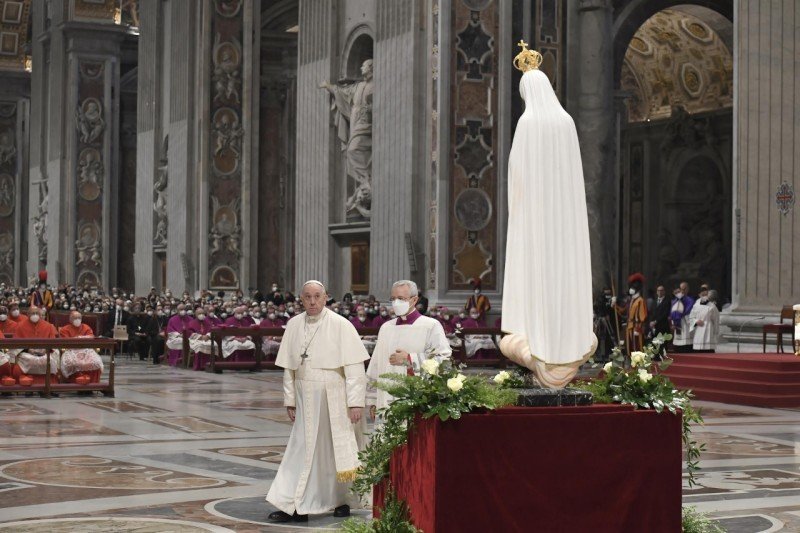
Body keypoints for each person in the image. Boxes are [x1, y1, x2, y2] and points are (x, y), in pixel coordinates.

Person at [266, 280, 369, 523]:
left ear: (326, 298)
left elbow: (355, 369)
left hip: (334, 395)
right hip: (304, 396)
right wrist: (289, 399)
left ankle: (343, 500)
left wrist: (355, 403)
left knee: (336, 451)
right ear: (300, 299)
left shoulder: (341, 325)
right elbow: (289, 369)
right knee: (301, 448)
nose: (312, 302)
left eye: (317, 297)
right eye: (307, 297)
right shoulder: (293, 325)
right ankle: (293, 503)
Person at [366, 280, 451, 418]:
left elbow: (444, 360)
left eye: (401, 299)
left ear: (414, 299)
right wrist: (373, 400)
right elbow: (376, 363)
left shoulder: (431, 325)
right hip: (385, 398)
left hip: (416, 399)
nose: (396, 303)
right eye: (393, 299)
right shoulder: (386, 328)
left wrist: (410, 359)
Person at [12, 306, 58, 385]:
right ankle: (26, 384)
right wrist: (28, 349)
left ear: (40, 315)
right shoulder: (20, 326)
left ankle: (50, 385)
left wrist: (46, 350)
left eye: (37, 313)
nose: (35, 315)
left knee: (50, 360)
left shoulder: (48, 326)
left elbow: (53, 342)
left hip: (44, 352)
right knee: (27, 359)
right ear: (28, 314)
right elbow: (16, 343)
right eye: (33, 313)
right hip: (27, 353)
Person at [58, 311, 104, 383]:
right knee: (72, 363)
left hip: (86, 350)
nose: (77, 320)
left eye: (79, 318)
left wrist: (77, 338)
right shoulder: (64, 329)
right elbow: (65, 342)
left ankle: (93, 383)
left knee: (96, 362)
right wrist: (81, 338)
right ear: (70, 319)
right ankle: (73, 383)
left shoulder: (86, 327)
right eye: (75, 318)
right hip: (71, 351)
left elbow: (91, 337)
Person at [612, 273, 648, 354]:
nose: (630, 289)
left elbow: (643, 317)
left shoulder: (640, 300)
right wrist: (615, 305)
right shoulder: (630, 300)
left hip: (636, 327)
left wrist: (638, 328)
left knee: (638, 347)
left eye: (632, 287)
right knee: (630, 347)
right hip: (629, 326)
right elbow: (623, 311)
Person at [670, 282, 696, 353]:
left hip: (686, 325)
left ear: (688, 289)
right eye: (681, 289)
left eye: (684, 289)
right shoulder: (675, 300)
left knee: (686, 347)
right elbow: (673, 312)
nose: (682, 291)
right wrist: (673, 323)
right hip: (677, 325)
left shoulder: (690, 300)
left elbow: (689, 313)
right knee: (678, 348)